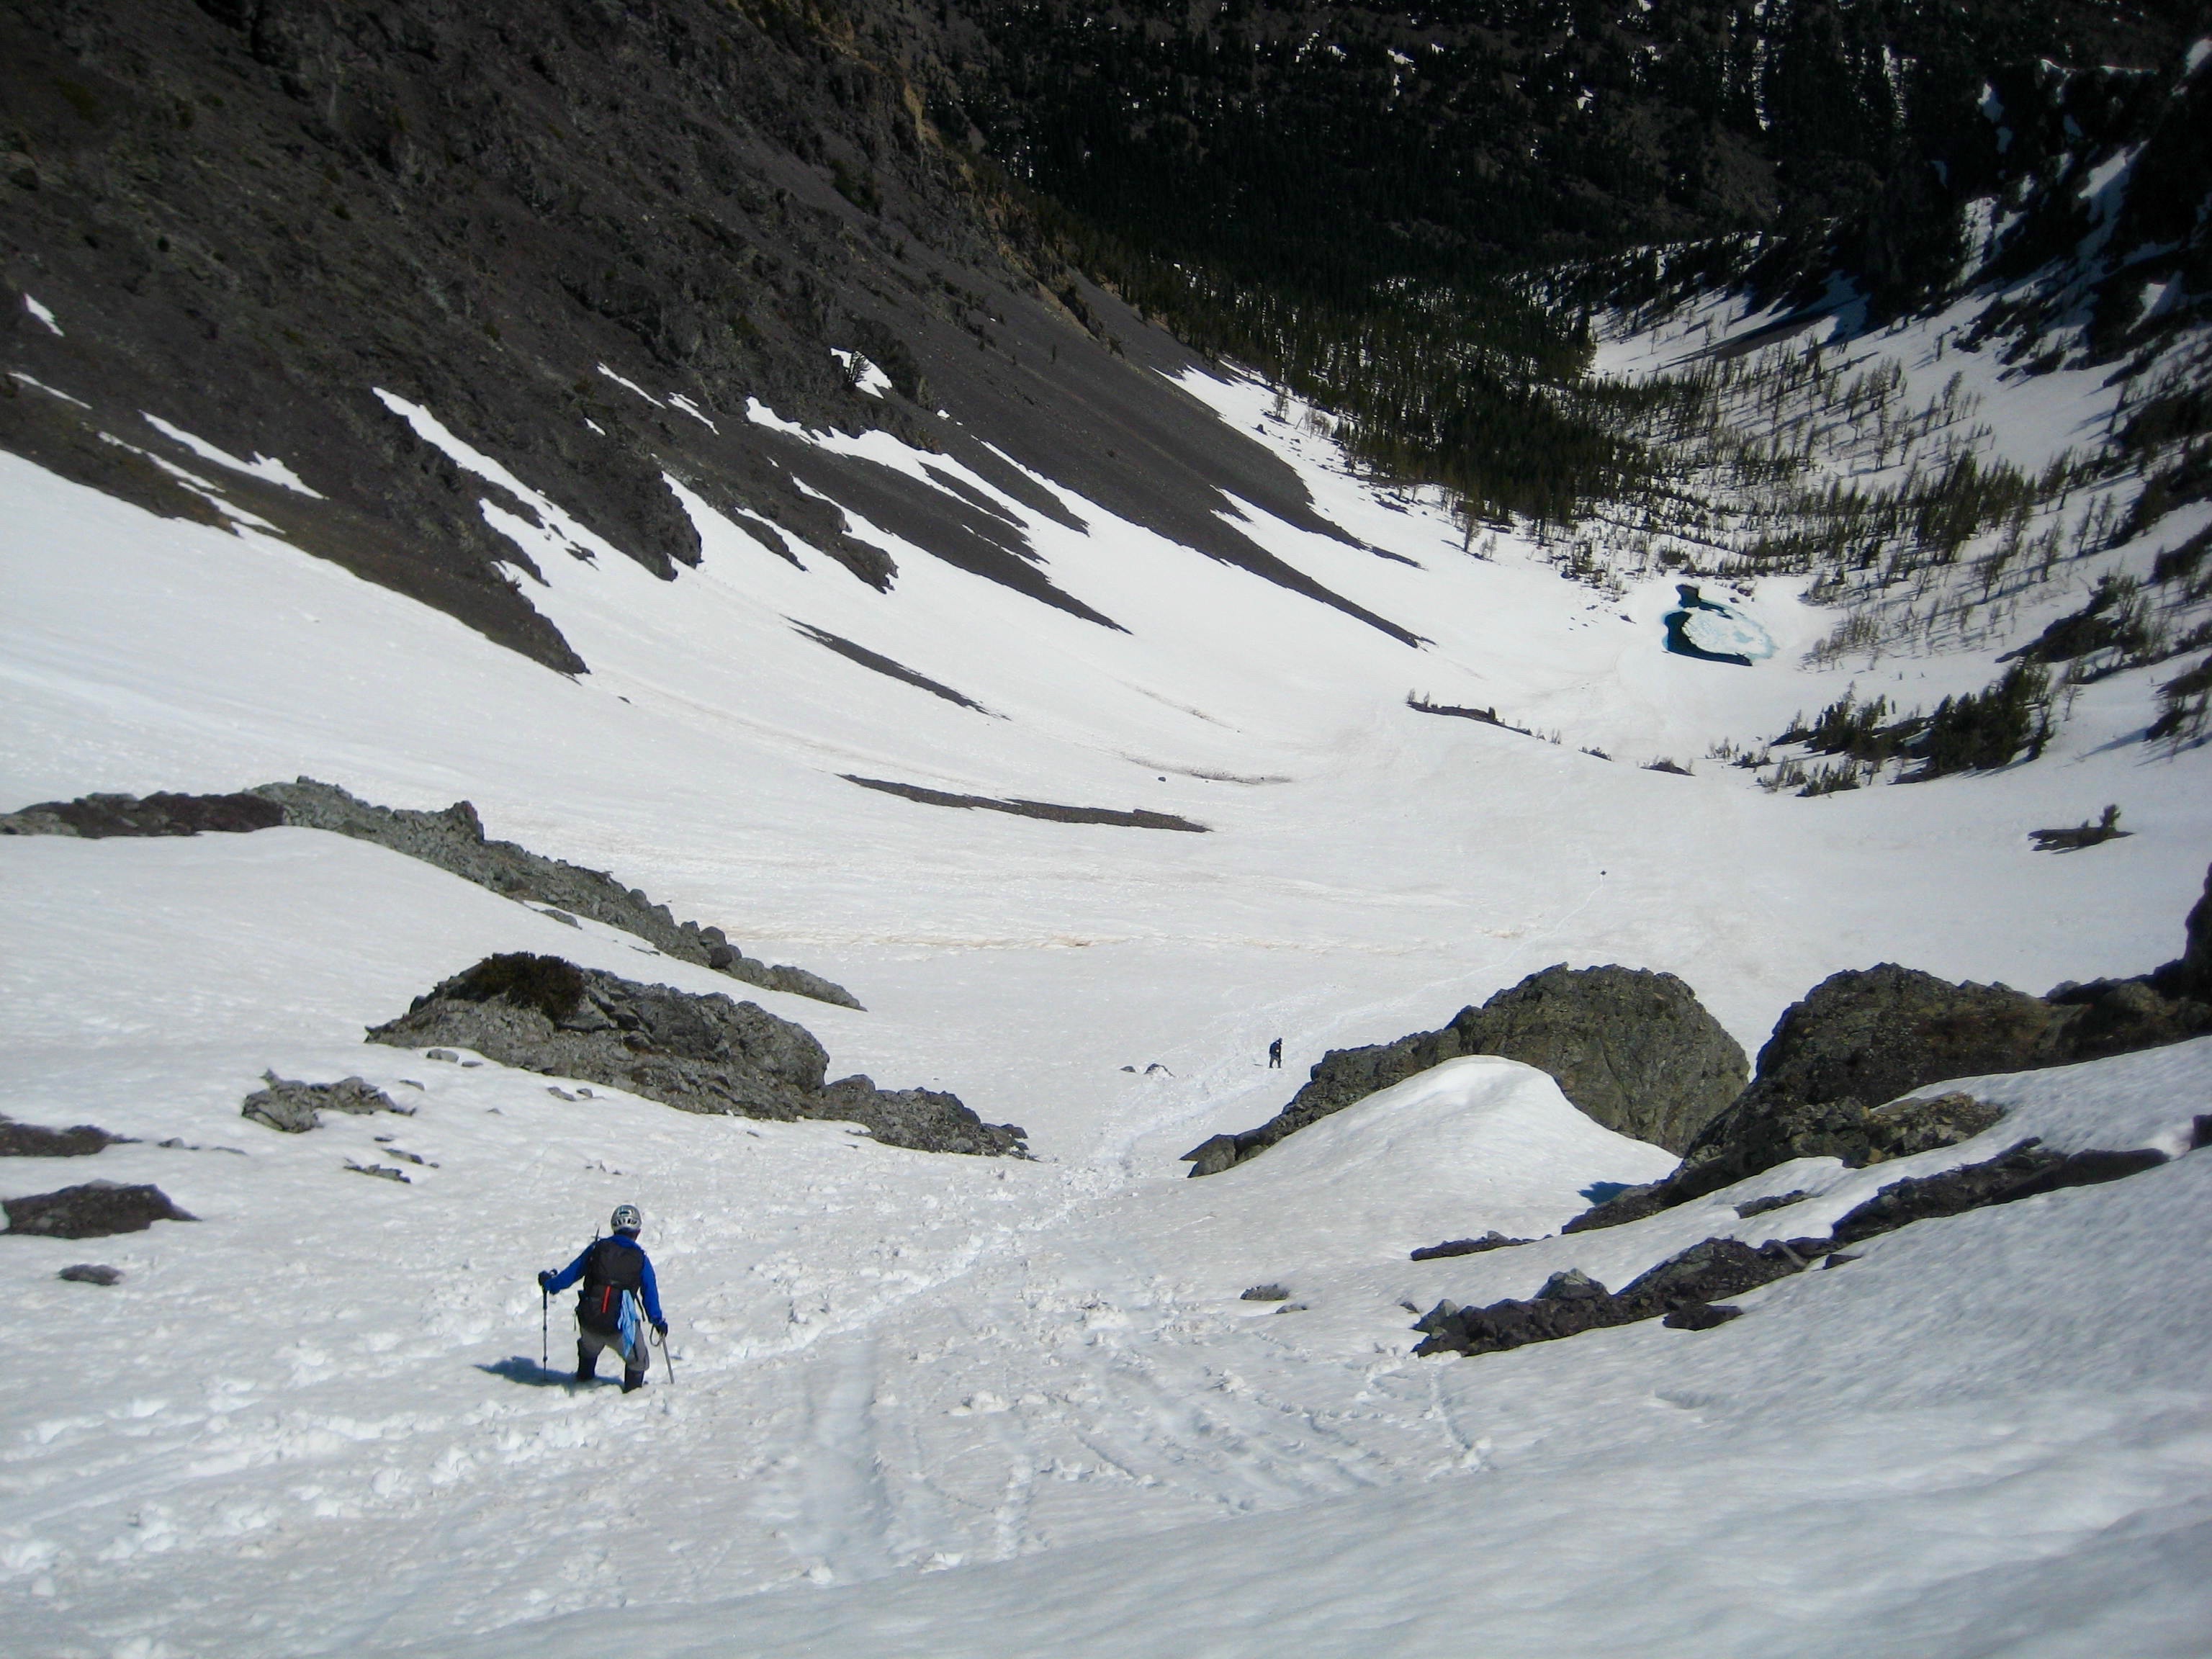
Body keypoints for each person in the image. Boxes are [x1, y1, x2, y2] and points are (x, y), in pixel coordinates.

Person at [539, 1203, 667, 1391]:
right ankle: (633, 1397)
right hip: (620, 1328)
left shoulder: (597, 1249)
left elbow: (566, 1278)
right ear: (638, 1232)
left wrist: (549, 1283)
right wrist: (658, 1322)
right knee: (638, 1360)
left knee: (588, 1347)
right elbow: (650, 1295)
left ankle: (583, 1379)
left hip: (589, 1321)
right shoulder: (640, 1259)